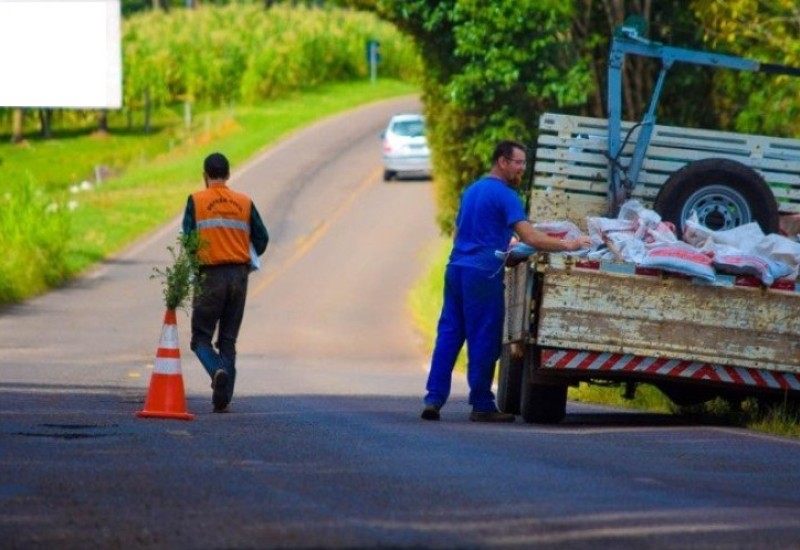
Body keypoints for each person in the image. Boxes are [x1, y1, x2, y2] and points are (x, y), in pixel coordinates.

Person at [421, 140, 591, 423]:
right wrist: (571, 245)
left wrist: (501, 252)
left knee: (449, 336)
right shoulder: (505, 196)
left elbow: (460, 234)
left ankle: (433, 399)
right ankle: (482, 404)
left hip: (456, 269)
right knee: (484, 339)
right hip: (483, 274)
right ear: (502, 161)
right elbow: (531, 238)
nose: (521, 169)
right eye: (518, 162)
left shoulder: (472, 190)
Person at [182, 152, 269, 413]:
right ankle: (223, 398)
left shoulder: (196, 201)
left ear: (204, 175)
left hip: (210, 275)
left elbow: (188, 239)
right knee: (228, 340)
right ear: (228, 174)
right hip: (238, 277)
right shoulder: (244, 202)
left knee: (200, 338)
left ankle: (216, 369)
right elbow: (262, 239)